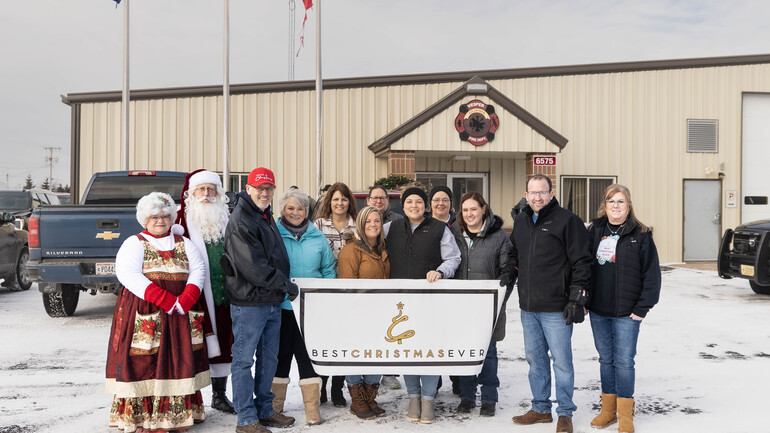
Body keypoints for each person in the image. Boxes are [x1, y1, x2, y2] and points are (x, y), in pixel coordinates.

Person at [106, 192, 210, 433]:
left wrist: (187, 298)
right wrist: (164, 300)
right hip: (146, 311)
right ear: (145, 219)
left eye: (165, 216)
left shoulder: (184, 243)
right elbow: (128, 274)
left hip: (180, 312)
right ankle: (144, 418)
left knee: (180, 360)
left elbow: (198, 269)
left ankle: (176, 416)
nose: (160, 221)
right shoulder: (135, 243)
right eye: (155, 217)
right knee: (145, 362)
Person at [508, 174, 592, 433]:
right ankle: (541, 408)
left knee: (562, 362)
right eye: (532, 193)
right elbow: (515, 253)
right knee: (535, 360)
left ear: (551, 193)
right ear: (526, 195)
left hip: (557, 307)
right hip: (529, 307)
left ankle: (565, 412)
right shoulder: (521, 220)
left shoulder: (568, 221)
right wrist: (509, 270)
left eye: (542, 192)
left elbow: (582, 262)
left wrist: (577, 298)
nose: (537, 197)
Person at [223, 167, 297, 433]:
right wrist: (285, 284)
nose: (264, 193)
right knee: (244, 360)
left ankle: (265, 409)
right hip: (249, 302)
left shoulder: (264, 214)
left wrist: (279, 289)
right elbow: (254, 267)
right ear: (248, 188)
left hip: (270, 299)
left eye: (269, 188)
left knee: (269, 358)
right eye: (259, 188)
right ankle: (246, 418)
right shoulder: (242, 220)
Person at [587, 184, 661, 433]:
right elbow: (584, 266)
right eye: (611, 201)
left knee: (624, 362)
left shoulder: (641, 234)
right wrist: (584, 301)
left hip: (627, 313)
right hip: (598, 310)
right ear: (604, 205)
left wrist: (642, 307)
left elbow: (652, 275)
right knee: (606, 359)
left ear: (629, 206)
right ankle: (608, 411)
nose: (616, 206)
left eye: (621, 201)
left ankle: (625, 415)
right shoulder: (595, 231)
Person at [386, 186, 461, 424]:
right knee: (408, 350)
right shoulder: (390, 228)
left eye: (418, 202)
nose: (414, 206)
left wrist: (441, 271)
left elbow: (453, 258)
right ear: (403, 206)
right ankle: (413, 397)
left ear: (425, 205)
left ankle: (428, 399)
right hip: (401, 301)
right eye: (409, 202)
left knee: (429, 349)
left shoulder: (439, 228)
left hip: (430, 299)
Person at [273, 188, 336, 426]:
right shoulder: (273, 234)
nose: (296, 212)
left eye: (300, 208)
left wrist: (324, 296)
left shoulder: (317, 237)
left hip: (310, 308)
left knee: (307, 356)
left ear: (307, 211)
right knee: (280, 356)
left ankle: (312, 407)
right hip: (281, 307)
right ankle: (275, 406)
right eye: (291, 208)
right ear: (283, 210)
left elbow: (328, 269)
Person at [175, 169, 235, 414]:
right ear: (192, 193)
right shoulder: (179, 222)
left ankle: (219, 395)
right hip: (196, 297)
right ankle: (190, 399)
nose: (207, 194)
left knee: (225, 343)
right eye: (201, 189)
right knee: (193, 347)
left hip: (225, 295)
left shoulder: (226, 218)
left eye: (211, 189)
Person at [450, 192, 513, 417]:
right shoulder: (453, 234)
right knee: (465, 352)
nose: (469, 214)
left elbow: (508, 271)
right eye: (465, 210)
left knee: (488, 353)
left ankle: (489, 398)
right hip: (460, 307)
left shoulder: (498, 236)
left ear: (483, 209)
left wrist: (499, 300)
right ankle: (467, 396)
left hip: (487, 307)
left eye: (474, 209)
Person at [337, 206, 391, 420]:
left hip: (381, 311)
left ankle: (370, 396)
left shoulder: (382, 248)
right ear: (360, 224)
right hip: (357, 312)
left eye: (377, 221)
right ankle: (357, 398)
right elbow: (347, 285)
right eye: (368, 221)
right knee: (355, 354)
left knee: (377, 353)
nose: (373, 225)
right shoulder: (351, 249)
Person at [312, 181, 356, 407]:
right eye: (336, 199)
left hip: (350, 290)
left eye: (344, 199)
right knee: (325, 339)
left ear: (350, 202)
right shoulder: (318, 224)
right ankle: (321, 385)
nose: (340, 203)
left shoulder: (357, 225)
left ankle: (337, 388)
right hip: (326, 290)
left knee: (344, 339)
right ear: (330, 202)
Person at [365, 184, 403, 390]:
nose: (378, 201)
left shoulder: (397, 221)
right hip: (370, 279)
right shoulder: (363, 218)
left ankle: (389, 373)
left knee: (391, 329)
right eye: (375, 198)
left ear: (388, 201)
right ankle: (367, 372)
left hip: (392, 278)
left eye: (382, 198)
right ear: (368, 200)